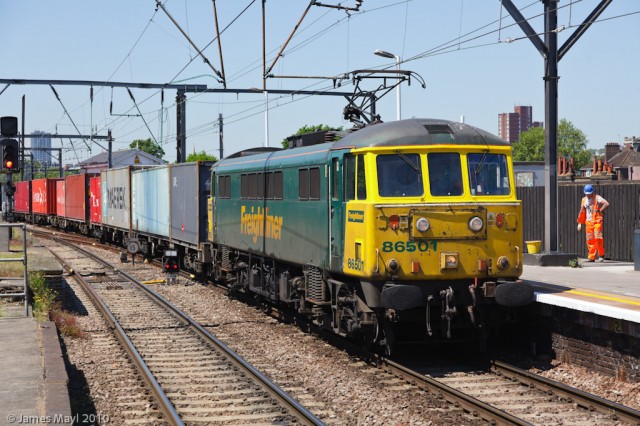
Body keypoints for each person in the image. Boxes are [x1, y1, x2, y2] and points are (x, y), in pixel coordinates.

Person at [576, 184, 609, 262]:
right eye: (587, 194)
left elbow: (606, 203)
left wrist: (600, 210)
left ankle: (601, 255)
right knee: (590, 240)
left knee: (598, 238)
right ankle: (591, 257)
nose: (588, 195)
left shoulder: (597, 198)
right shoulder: (583, 200)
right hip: (588, 222)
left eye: (589, 193)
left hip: (597, 221)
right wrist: (580, 222)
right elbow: (582, 212)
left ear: (592, 192)